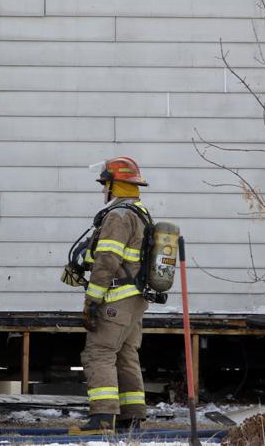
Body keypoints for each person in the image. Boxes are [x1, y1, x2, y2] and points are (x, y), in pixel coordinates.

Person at [64, 156, 152, 435]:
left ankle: (101, 420)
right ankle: (132, 418)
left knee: (99, 353)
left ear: (116, 186)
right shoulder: (140, 212)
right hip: (136, 299)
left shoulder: (118, 216)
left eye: (106, 185)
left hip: (116, 298)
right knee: (126, 355)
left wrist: (92, 299)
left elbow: (107, 261)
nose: (104, 190)